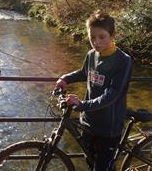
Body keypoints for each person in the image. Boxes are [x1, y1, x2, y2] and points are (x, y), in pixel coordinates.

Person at [56, 10, 132, 171]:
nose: (96, 42)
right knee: (90, 162)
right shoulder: (91, 55)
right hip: (88, 122)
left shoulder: (123, 61)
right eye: (92, 38)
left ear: (112, 35)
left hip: (108, 127)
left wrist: (81, 104)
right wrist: (65, 78)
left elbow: (112, 95)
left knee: (102, 167)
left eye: (101, 37)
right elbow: (84, 72)